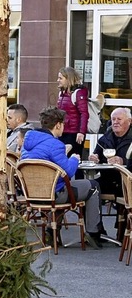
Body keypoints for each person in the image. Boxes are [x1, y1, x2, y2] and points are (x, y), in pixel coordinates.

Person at [20, 106, 104, 249]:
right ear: (58, 125)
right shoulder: (56, 144)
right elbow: (69, 171)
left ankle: (51, 231)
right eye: (63, 124)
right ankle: (93, 232)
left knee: (58, 185)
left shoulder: (28, 142)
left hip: (32, 194)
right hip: (54, 194)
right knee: (93, 186)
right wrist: (74, 159)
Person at [87, 107, 132, 197]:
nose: (115, 122)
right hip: (108, 179)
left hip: (128, 181)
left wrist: (124, 161)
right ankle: (94, 211)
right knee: (88, 188)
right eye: (113, 119)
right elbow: (96, 156)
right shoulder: (104, 139)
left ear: (129, 121)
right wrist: (94, 159)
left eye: (119, 119)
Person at [57, 66, 89, 158]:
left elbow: (84, 113)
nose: (58, 80)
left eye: (60, 78)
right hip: (63, 131)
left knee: (74, 160)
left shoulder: (78, 93)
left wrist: (81, 132)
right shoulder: (62, 93)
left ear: (68, 79)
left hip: (74, 133)